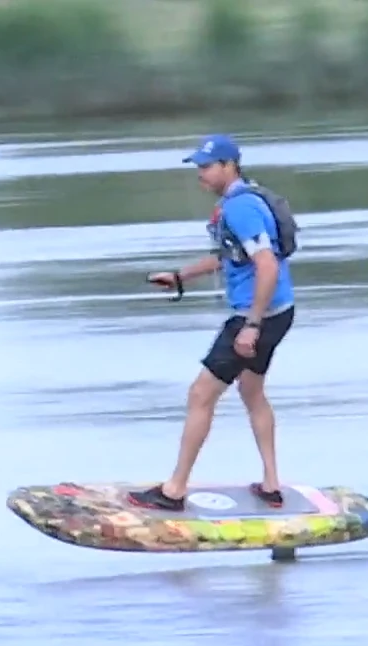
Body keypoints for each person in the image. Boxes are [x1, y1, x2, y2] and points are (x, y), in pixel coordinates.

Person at [130, 133, 296, 512]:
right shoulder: (240, 202)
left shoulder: (240, 208)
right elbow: (230, 258)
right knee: (251, 392)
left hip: (256, 315)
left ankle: (173, 491)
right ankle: (271, 485)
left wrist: (251, 325)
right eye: (198, 167)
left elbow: (267, 265)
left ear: (229, 166)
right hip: (279, 310)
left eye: (206, 167)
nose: (200, 175)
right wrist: (180, 276)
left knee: (200, 395)